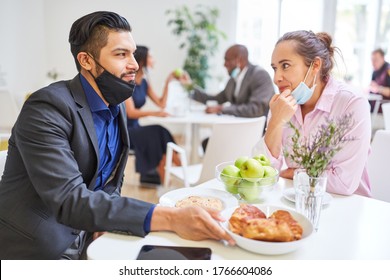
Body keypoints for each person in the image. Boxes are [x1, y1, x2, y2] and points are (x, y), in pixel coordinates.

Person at [0, 11, 234, 260]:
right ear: (86, 61)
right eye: (121, 54)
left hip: (92, 236)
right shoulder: (47, 108)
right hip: (40, 247)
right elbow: (69, 200)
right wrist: (170, 218)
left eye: (132, 53)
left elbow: (111, 180)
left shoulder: (117, 103)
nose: (134, 64)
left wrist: (105, 220)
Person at [264, 30, 371, 197]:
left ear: (315, 65)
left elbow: (344, 183)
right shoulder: (281, 106)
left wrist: (294, 173)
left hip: (349, 206)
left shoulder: (352, 103)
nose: (276, 77)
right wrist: (276, 122)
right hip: (296, 200)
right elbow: (263, 175)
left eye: (285, 65)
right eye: (274, 68)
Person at [125, 45, 180, 185]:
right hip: (125, 131)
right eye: (151, 56)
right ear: (142, 60)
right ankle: (182, 170)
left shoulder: (143, 82)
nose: (153, 60)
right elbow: (130, 113)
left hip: (137, 128)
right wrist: (156, 113)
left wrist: (168, 82)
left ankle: (175, 174)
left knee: (161, 134)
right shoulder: (126, 81)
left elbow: (161, 103)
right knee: (159, 131)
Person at [182, 44, 274, 117]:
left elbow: (255, 109)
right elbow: (215, 99)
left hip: (259, 134)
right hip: (239, 129)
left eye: (227, 60)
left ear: (239, 60)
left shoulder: (260, 75)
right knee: (208, 141)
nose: (224, 64)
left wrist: (221, 109)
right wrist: (189, 86)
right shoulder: (233, 80)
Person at [369, 48, 390, 112]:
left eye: (376, 60)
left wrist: (378, 88)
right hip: (374, 109)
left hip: (384, 111)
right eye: (372, 60)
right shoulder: (375, 71)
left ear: (383, 58)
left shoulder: (388, 70)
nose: (373, 63)